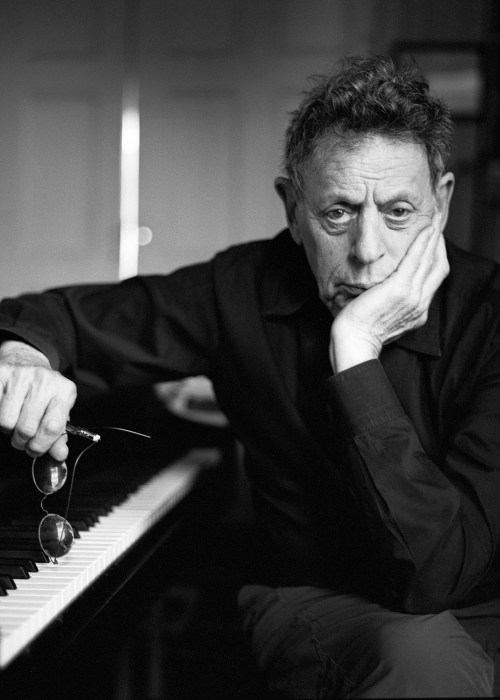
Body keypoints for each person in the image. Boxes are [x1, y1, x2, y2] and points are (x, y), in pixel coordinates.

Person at [0, 54, 498, 697]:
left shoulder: (492, 317)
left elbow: (442, 573)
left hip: (477, 609)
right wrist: (21, 358)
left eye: (399, 212)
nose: (368, 251)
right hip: (315, 602)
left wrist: (355, 348)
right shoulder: (239, 288)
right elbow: (57, 319)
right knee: (421, 658)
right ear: (292, 208)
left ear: (443, 203)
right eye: (338, 213)